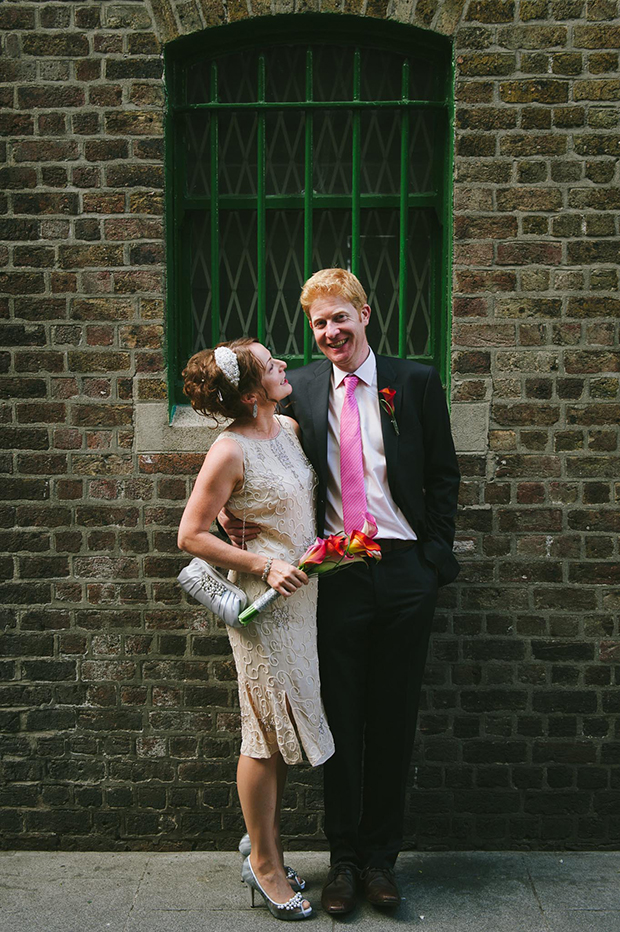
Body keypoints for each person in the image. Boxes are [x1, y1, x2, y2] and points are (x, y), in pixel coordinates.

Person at [221, 269, 460, 915]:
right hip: (336, 577)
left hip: (407, 571)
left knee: (393, 719)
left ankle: (383, 861)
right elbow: (257, 451)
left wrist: (434, 559)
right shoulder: (295, 387)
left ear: (365, 314)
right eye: (320, 324)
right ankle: (345, 864)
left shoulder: (413, 383)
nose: (331, 333)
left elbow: (443, 476)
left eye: (340, 319)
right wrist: (230, 517)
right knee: (341, 720)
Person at [178, 337, 334, 921]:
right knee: (263, 731)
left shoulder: (290, 431)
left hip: (303, 602)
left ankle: (260, 838)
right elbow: (191, 535)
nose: (284, 366)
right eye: (272, 366)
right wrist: (262, 562)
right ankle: (265, 865)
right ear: (250, 393)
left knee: (283, 728)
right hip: (261, 605)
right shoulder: (228, 450)